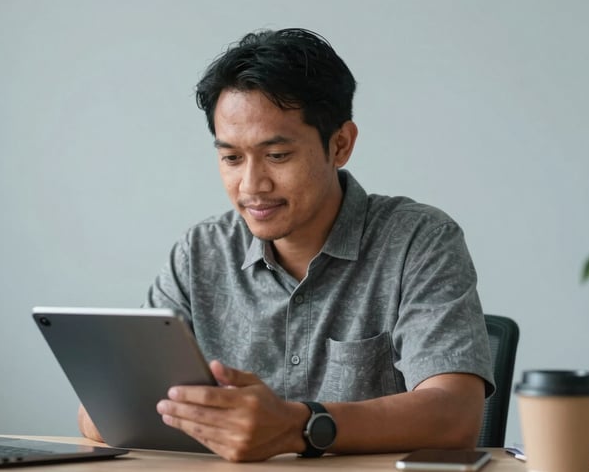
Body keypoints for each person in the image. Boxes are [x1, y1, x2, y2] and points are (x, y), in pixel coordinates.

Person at [78, 27, 494, 462]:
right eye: (231, 158)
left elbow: (455, 417)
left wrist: (298, 426)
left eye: (277, 156)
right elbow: (100, 417)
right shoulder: (199, 253)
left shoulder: (418, 241)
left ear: (340, 144)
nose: (252, 185)